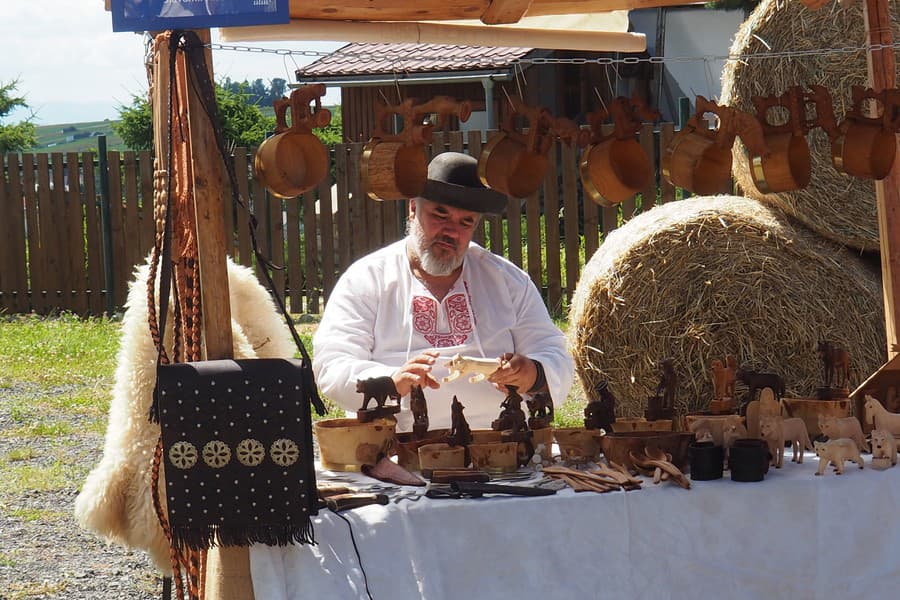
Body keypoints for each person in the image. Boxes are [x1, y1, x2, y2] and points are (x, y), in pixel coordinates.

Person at [312, 151, 575, 431]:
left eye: (466, 222)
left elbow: (555, 354)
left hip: (501, 448)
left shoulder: (507, 281)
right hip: (390, 450)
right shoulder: (367, 279)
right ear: (413, 208)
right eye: (440, 214)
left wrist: (532, 373)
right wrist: (392, 380)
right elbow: (332, 363)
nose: (451, 232)